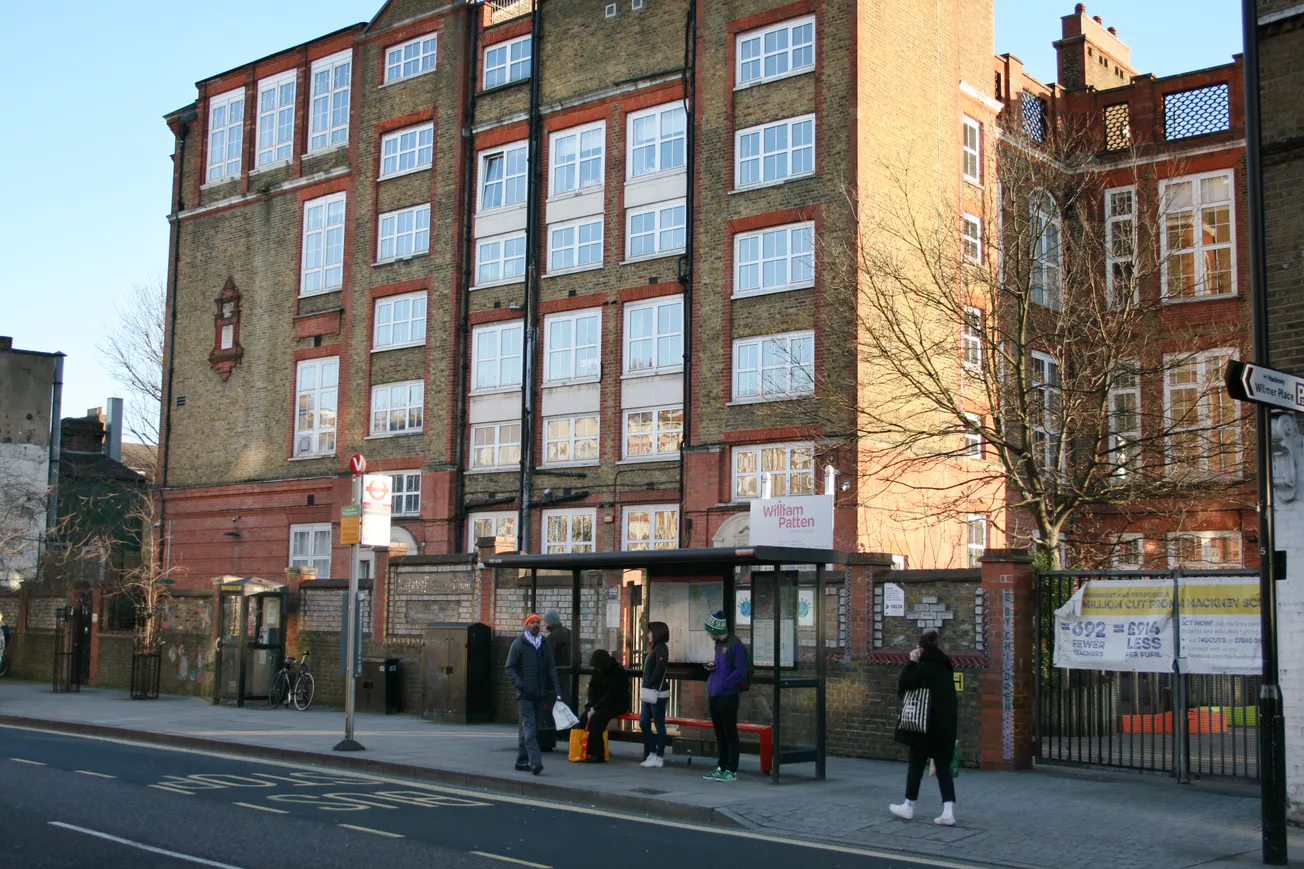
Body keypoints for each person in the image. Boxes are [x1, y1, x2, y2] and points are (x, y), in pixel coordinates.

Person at [889, 630, 959, 826]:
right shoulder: (945, 667)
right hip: (945, 726)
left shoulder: (926, 667)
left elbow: (905, 684)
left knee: (916, 765)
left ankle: (908, 805)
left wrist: (911, 662)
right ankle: (948, 811)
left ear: (921, 649)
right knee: (943, 768)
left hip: (924, 726)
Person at [506, 613, 560, 776]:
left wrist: (557, 690)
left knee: (531, 728)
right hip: (525, 694)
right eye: (532, 622)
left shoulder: (544, 644)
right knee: (530, 727)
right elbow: (510, 668)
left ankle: (521, 762)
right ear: (526, 625)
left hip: (540, 693)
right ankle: (535, 762)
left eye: (538, 622)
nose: (536, 625)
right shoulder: (519, 644)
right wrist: (520, 684)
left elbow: (551, 667)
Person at [703, 610, 746, 782]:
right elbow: (724, 666)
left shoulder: (735, 645)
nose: (708, 634)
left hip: (727, 695)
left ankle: (731, 769)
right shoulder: (718, 645)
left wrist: (724, 683)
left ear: (717, 630)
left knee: (730, 732)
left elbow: (740, 670)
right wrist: (713, 668)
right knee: (719, 732)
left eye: (710, 631)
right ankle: (721, 765)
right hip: (715, 693)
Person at [581, 649, 630, 763]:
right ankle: (583, 749)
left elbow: (611, 694)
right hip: (599, 704)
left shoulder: (617, 671)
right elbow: (592, 689)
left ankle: (597, 754)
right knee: (583, 719)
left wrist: (594, 708)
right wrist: (591, 707)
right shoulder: (598, 671)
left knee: (596, 721)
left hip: (615, 704)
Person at [537, 611, 572, 753]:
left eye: (545, 622)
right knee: (566, 704)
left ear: (550, 623)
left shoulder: (551, 639)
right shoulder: (570, 633)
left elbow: (546, 659)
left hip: (555, 677)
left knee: (552, 706)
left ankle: (556, 731)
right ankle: (567, 731)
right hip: (568, 676)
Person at [639, 621, 671, 768]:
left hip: (657, 692)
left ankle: (659, 756)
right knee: (644, 722)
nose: (648, 634)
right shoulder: (654, 648)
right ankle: (652, 752)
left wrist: (651, 683)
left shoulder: (662, 649)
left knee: (659, 724)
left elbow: (659, 669)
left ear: (657, 633)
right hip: (648, 691)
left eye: (650, 632)